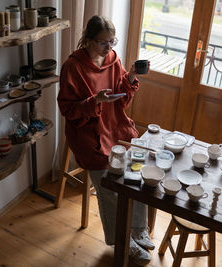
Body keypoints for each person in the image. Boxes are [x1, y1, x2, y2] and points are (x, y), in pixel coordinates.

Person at [57, 15, 153, 265]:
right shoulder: (73, 66)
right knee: (111, 189)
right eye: (103, 43)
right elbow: (67, 109)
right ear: (88, 40)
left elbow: (122, 99)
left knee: (139, 175)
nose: (109, 47)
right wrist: (95, 101)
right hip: (89, 135)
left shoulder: (113, 59)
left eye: (113, 41)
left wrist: (130, 76)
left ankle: (138, 229)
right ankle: (123, 240)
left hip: (117, 127)